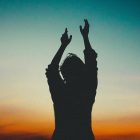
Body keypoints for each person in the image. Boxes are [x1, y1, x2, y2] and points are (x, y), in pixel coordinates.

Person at [46, 19, 98, 140]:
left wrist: (63, 45)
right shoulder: (87, 91)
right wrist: (85, 37)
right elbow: (91, 64)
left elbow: (52, 71)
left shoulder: (60, 93)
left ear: (64, 73)